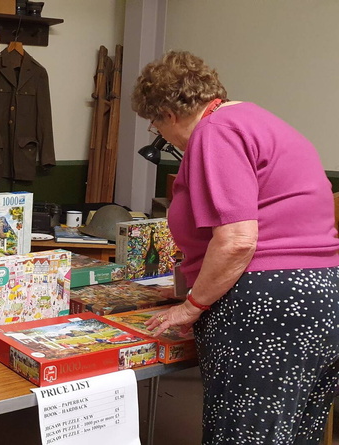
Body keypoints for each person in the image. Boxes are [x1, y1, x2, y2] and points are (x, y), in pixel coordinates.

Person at [133, 51, 339, 444]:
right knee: (296, 433)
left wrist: (191, 306)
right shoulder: (256, 119)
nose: (162, 136)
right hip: (321, 296)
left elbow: (237, 241)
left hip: (266, 303)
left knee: (243, 433)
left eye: (155, 125)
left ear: (168, 114)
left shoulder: (216, 131)